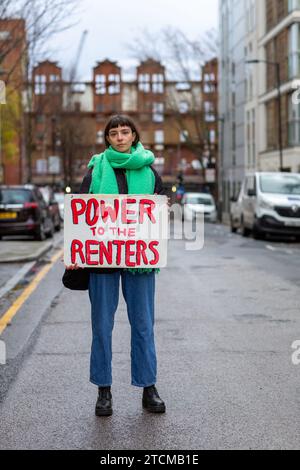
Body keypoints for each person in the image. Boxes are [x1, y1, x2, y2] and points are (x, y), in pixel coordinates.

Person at [65, 115, 166, 416]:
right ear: (107, 139)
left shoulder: (150, 172)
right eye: (114, 133)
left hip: (139, 261)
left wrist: (164, 211)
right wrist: (73, 247)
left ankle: (149, 388)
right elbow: (81, 212)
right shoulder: (96, 170)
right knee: (102, 327)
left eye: (125, 132)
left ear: (135, 135)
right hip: (103, 260)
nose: (120, 137)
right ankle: (103, 391)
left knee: (144, 325)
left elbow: (158, 208)